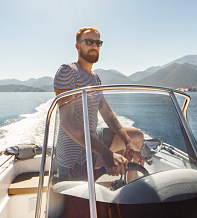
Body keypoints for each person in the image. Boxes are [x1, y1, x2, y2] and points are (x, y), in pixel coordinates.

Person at [53, 27, 144, 181]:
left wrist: (128, 142)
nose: (94, 46)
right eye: (89, 42)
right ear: (77, 46)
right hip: (74, 152)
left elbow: (108, 114)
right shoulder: (67, 71)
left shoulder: (95, 79)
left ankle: (129, 187)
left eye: (98, 43)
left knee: (137, 137)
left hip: (93, 136)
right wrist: (106, 154)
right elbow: (68, 123)